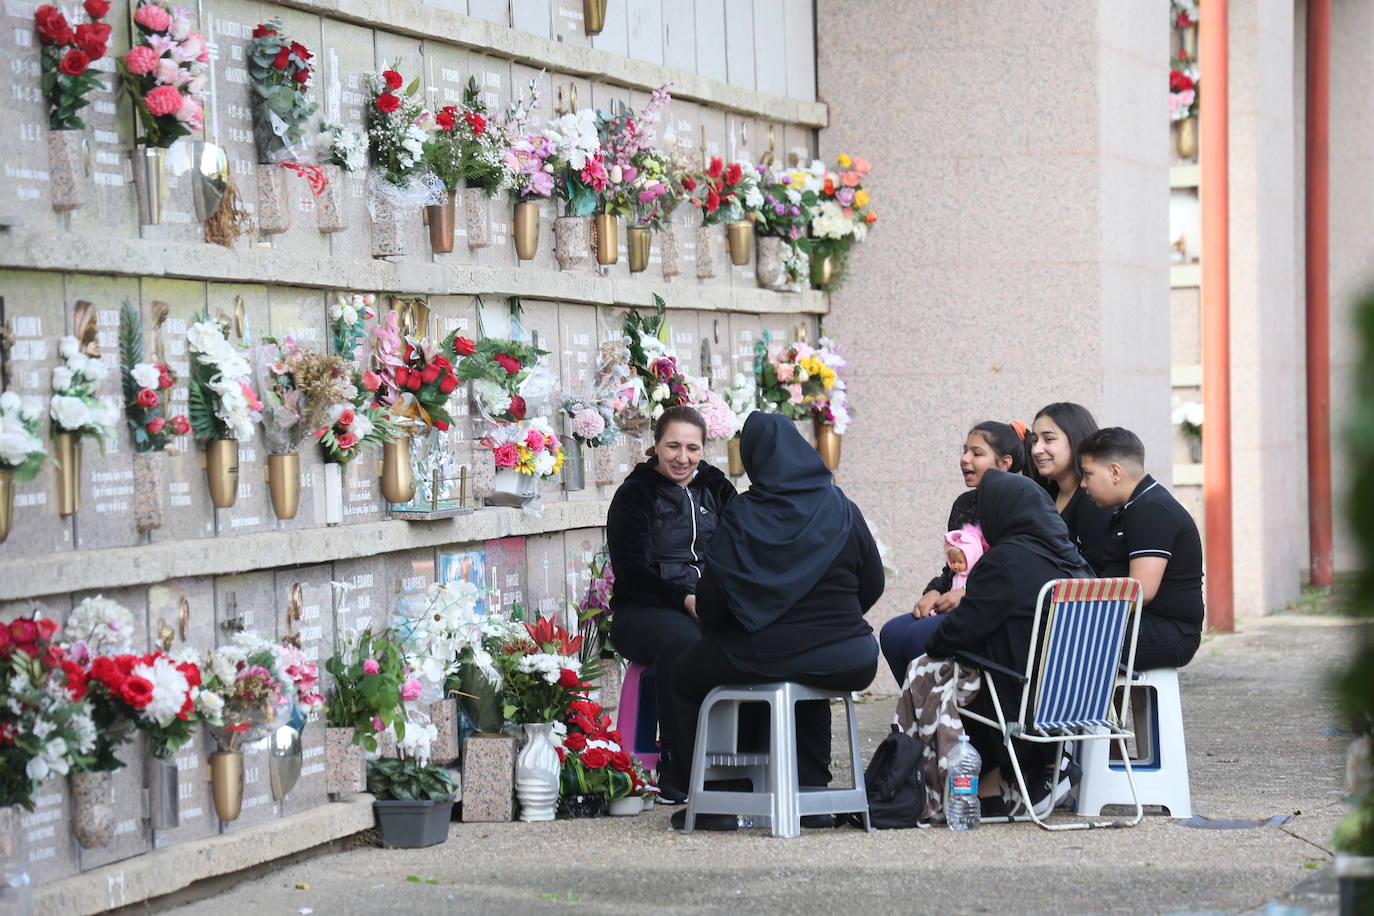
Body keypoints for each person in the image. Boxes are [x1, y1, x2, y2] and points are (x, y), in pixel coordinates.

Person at [667, 413, 883, 831]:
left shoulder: (746, 513)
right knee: (809, 675)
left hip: (766, 651)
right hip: (851, 655)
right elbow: (872, 582)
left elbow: (713, 603)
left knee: (686, 674)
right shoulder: (841, 506)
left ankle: (716, 802)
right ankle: (813, 797)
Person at [923, 469, 1095, 817]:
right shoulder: (1076, 565)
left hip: (1021, 701)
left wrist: (935, 639)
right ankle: (996, 791)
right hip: (1078, 701)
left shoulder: (1005, 561)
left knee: (929, 670)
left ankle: (938, 790)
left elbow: (957, 634)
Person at [606, 405, 738, 801]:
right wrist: (684, 598)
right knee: (684, 643)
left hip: (707, 605)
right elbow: (633, 572)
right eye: (673, 446)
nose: (683, 458)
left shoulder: (716, 488)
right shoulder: (635, 495)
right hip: (644, 612)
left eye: (692, 448)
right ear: (656, 446)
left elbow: (741, 547)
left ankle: (740, 767)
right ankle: (679, 771)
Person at [878, 420, 1028, 684]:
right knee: (893, 632)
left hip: (994, 608)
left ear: (1005, 463)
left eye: (977, 454)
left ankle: (942, 718)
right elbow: (952, 568)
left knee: (918, 636)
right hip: (958, 605)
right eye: (964, 451)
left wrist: (970, 595)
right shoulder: (964, 504)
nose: (965, 459)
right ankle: (916, 715)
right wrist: (934, 592)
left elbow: (1019, 573)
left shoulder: (1020, 505)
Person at [1077, 427, 1205, 670]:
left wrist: (1084, 609)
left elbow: (1141, 591)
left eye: (1087, 474)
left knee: (1063, 639)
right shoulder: (1134, 507)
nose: (1083, 484)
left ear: (1115, 472)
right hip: (1143, 625)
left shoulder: (1152, 510)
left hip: (1168, 632)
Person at [1027, 402, 1114, 574]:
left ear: (1077, 441)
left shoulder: (1093, 501)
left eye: (1049, 439)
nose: (1036, 450)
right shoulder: (1045, 495)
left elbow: (1095, 572)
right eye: (1034, 441)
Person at [944, 525, 985, 590]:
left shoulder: (973, 577)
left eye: (960, 562)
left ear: (971, 560)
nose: (955, 565)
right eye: (953, 561)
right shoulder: (955, 576)